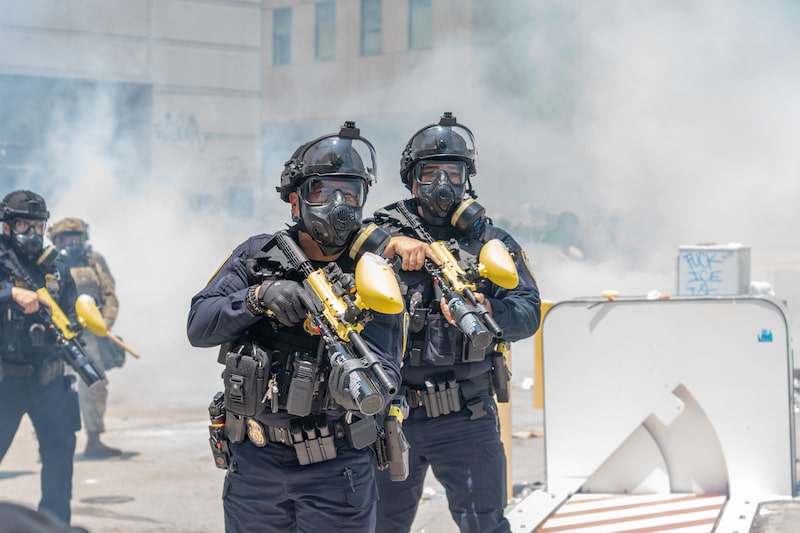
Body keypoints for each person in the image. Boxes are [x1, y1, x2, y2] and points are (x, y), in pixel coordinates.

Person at [187, 121, 404, 532]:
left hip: (337, 467)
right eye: (323, 191)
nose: (338, 204)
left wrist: (350, 377)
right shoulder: (258, 255)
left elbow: (387, 370)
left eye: (350, 193)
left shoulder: (371, 271)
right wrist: (257, 298)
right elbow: (199, 325)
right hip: (256, 462)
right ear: (295, 200)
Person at [371, 112, 542, 533]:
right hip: (391, 414)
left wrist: (490, 308)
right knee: (377, 526)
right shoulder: (377, 238)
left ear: (468, 179)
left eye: (454, 172)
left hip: (466, 415)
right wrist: (390, 244)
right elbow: (328, 260)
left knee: (485, 524)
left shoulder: (490, 242)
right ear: (412, 180)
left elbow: (528, 312)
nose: (443, 182)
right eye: (432, 172)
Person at [0, 190, 82, 526]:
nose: (32, 233)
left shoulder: (56, 267)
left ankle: (54, 525)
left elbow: (72, 313)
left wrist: (77, 325)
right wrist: (11, 294)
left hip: (49, 379)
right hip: (6, 380)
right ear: (7, 226)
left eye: (37, 225)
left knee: (59, 461)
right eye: (24, 225)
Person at [47, 217, 124, 458]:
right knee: (55, 388)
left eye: (76, 238)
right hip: (59, 335)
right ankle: (50, 443)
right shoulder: (47, 263)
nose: (72, 243)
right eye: (66, 238)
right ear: (56, 240)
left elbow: (109, 295)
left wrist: (105, 322)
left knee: (95, 384)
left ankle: (94, 439)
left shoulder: (94, 261)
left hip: (90, 336)